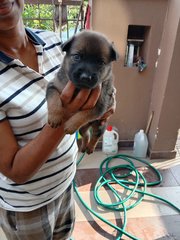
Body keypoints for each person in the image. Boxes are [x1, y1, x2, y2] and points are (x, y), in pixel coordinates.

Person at [0, 1, 114, 239]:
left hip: (65, 185)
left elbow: (103, 99)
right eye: (78, 58)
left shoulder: (54, 40)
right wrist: (67, 119)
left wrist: (108, 102)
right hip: (28, 208)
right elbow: (14, 170)